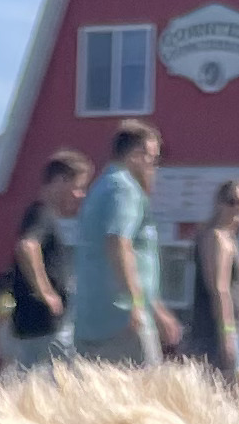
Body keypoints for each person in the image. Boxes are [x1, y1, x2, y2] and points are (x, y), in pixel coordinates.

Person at [72, 122, 177, 369]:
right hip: (123, 318)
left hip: (93, 318)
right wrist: (137, 305)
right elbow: (118, 243)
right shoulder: (124, 189)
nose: (154, 166)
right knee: (145, 397)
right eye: (152, 158)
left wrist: (157, 308)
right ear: (135, 155)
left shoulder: (101, 186)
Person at [6, 151, 87, 371]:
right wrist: (46, 292)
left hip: (42, 327)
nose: (80, 195)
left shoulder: (46, 216)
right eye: (78, 187)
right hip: (44, 327)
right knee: (62, 384)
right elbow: (27, 246)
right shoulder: (41, 213)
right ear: (60, 181)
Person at [186, 175, 239, 380]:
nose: (238, 208)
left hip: (237, 327)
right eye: (232, 202)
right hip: (214, 333)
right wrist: (227, 333)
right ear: (219, 204)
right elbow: (219, 289)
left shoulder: (233, 240)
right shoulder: (216, 238)